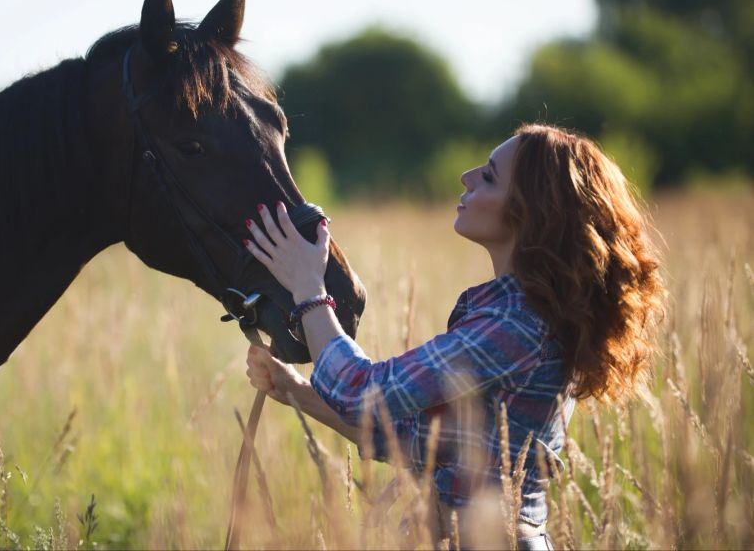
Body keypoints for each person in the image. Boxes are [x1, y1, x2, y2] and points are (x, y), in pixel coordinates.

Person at [242, 123, 664, 550]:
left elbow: (362, 394)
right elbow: (405, 437)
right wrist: (294, 390)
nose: (467, 177)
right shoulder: (519, 317)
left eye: (490, 176)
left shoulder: (519, 326)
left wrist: (309, 290)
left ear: (532, 211)